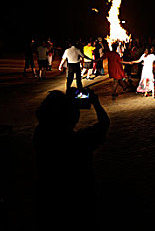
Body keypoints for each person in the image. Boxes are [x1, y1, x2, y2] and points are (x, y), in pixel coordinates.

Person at [33, 88, 110, 229]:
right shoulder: (77, 142)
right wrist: (96, 103)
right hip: (79, 198)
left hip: (47, 198)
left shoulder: (40, 134)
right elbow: (104, 124)